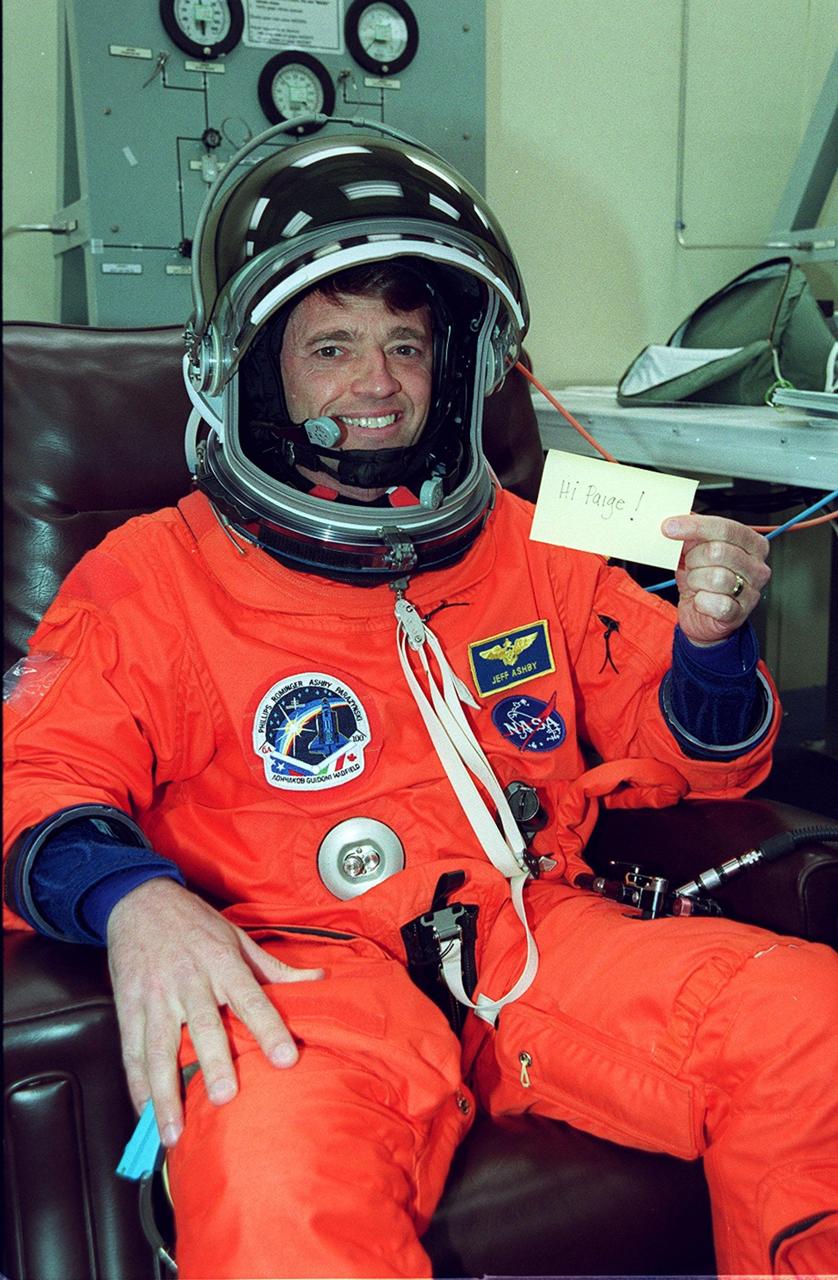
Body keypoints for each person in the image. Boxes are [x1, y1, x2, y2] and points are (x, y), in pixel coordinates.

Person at [4, 124, 837, 1280]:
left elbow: (694, 750)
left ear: (457, 363)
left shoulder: (526, 543)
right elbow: (34, 771)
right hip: (295, 971)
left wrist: (703, 645)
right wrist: (134, 901)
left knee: (816, 1028)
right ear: (255, 366)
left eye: (407, 343)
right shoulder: (155, 573)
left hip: (532, 933)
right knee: (274, 1192)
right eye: (333, 347)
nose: (380, 385)